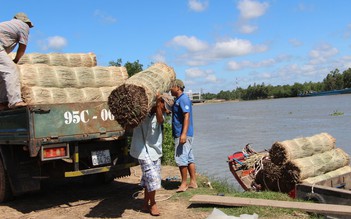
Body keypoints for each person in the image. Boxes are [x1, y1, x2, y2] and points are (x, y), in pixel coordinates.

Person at [130, 93, 174, 216]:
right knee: (153, 178)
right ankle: (153, 204)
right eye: (165, 106)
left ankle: (145, 204)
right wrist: (156, 102)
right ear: (159, 102)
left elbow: (160, 120)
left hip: (155, 151)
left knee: (147, 178)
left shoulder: (160, 114)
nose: (167, 110)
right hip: (141, 150)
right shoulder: (143, 111)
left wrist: (159, 107)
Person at [0, 12, 34, 110]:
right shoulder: (23, 26)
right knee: (11, 69)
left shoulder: (8, 24)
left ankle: (2, 103)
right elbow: (22, 47)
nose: (28, 28)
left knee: (2, 74)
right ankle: (15, 101)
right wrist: (16, 60)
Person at [170, 79, 198, 192]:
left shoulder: (183, 99)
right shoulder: (179, 100)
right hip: (185, 134)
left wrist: (183, 134)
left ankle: (183, 184)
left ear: (177, 87)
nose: (169, 89)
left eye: (171, 87)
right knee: (189, 158)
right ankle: (193, 182)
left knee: (181, 158)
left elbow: (186, 116)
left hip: (183, 134)